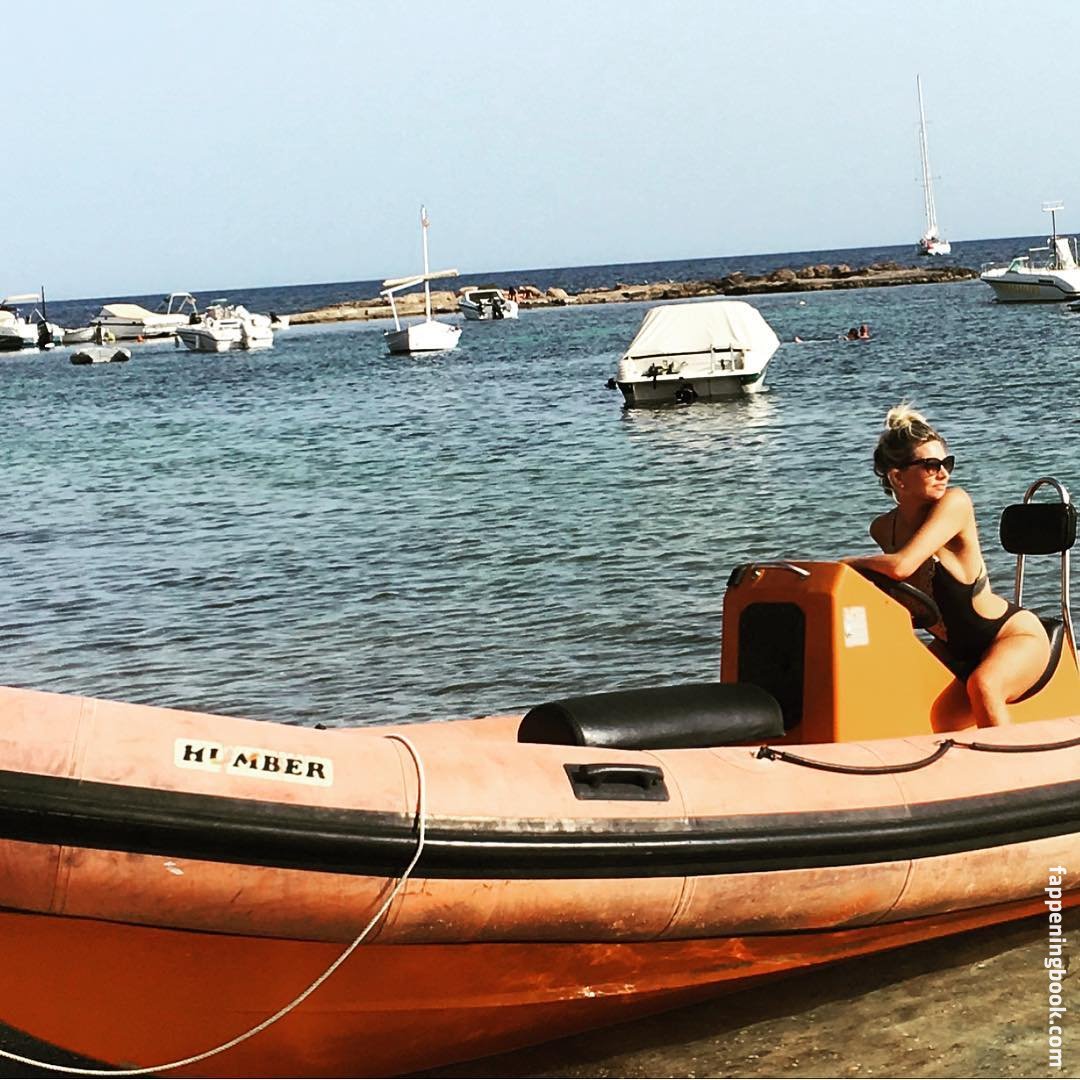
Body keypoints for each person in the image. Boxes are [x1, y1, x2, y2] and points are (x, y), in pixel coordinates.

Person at [846, 404, 1049, 727]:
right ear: (897, 477)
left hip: (1010, 636)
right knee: (895, 691)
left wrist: (843, 565)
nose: (944, 473)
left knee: (984, 686)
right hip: (952, 647)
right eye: (931, 465)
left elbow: (901, 567)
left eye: (946, 463)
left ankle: (1010, 759)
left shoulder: (955, 503)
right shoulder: (884, 529)